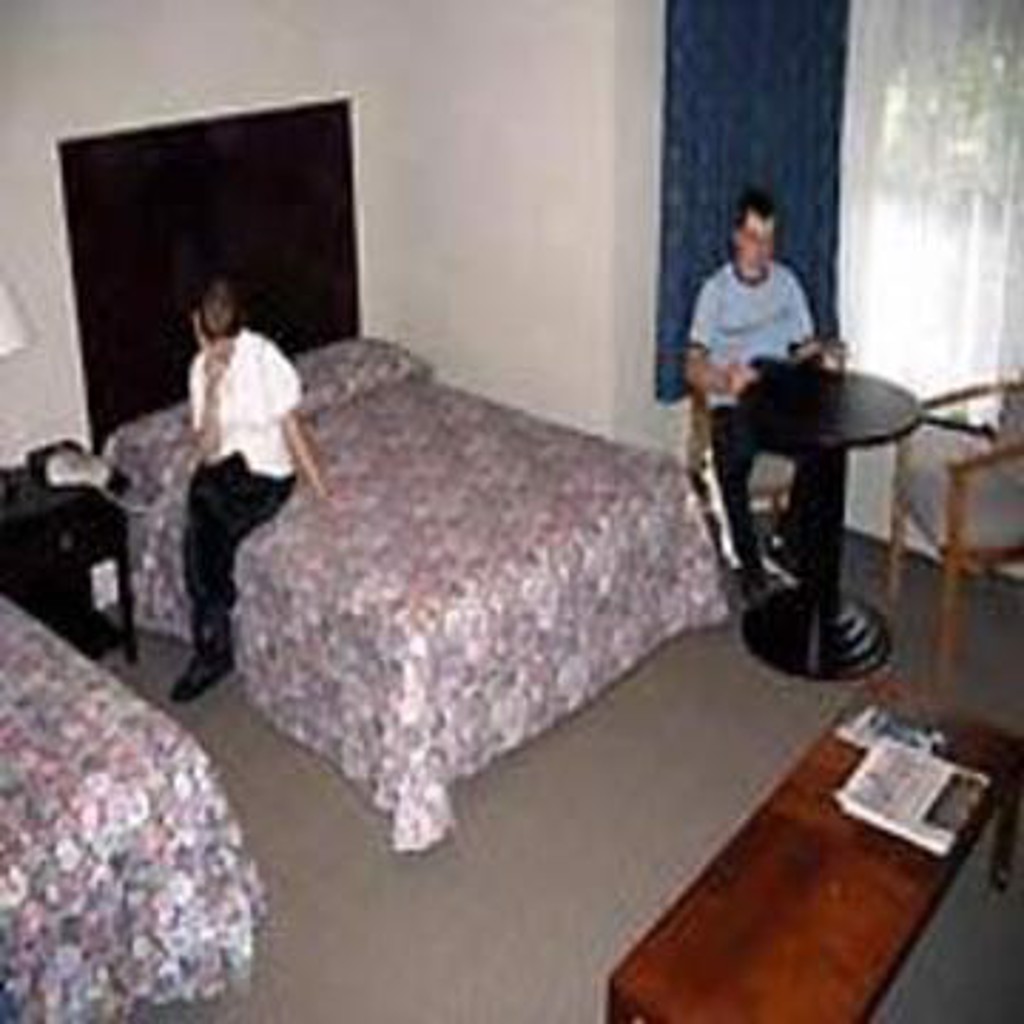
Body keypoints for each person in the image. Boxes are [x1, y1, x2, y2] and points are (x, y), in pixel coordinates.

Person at [173, 277, 329, 703]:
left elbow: (292, 427)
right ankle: (214, 627)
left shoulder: (264, 357)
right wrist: (212, 388)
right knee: (203, 502)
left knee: (202, 510)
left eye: (227, 345)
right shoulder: (198, 369)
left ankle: (213, 642)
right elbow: (208, 451)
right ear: (197, 327)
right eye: (214, 345)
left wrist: (321, 489)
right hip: (225, 472)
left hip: (268, 477)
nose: (221, 353)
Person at [685, 188, 829, 605]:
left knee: (825, 451)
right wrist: (724, 380)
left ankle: (785, 540)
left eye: (768, 239)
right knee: (734, 457)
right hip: (734, 402)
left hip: (780, 397)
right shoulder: (715, 291)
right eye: (752, 237)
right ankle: (751, 566)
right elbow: (692, 367)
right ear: (736, 237)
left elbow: (803, 348)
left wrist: (823, 354)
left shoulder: (787, 284)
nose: (761, 249)